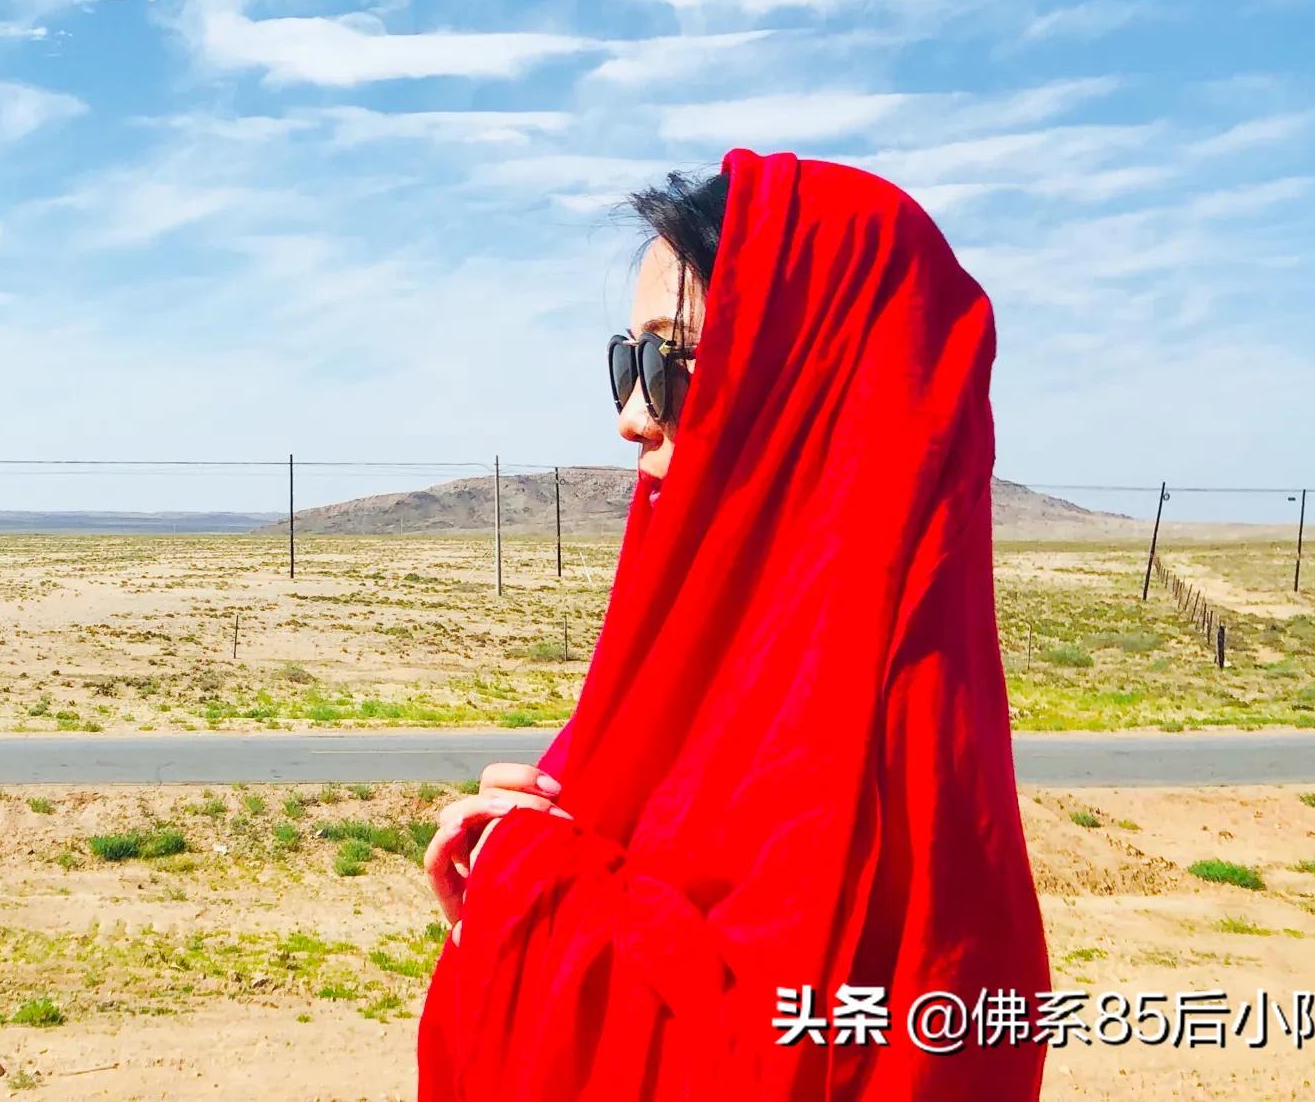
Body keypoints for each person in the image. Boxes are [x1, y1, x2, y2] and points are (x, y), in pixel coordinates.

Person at [415, 148, 1049, 1099]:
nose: (633, 415)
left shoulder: (879, 739)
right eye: (625, 361)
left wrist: (534, 889)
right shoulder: (709, 665)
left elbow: (798, 1063)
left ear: (807, 381)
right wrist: (529, 864)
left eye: (670, 360)